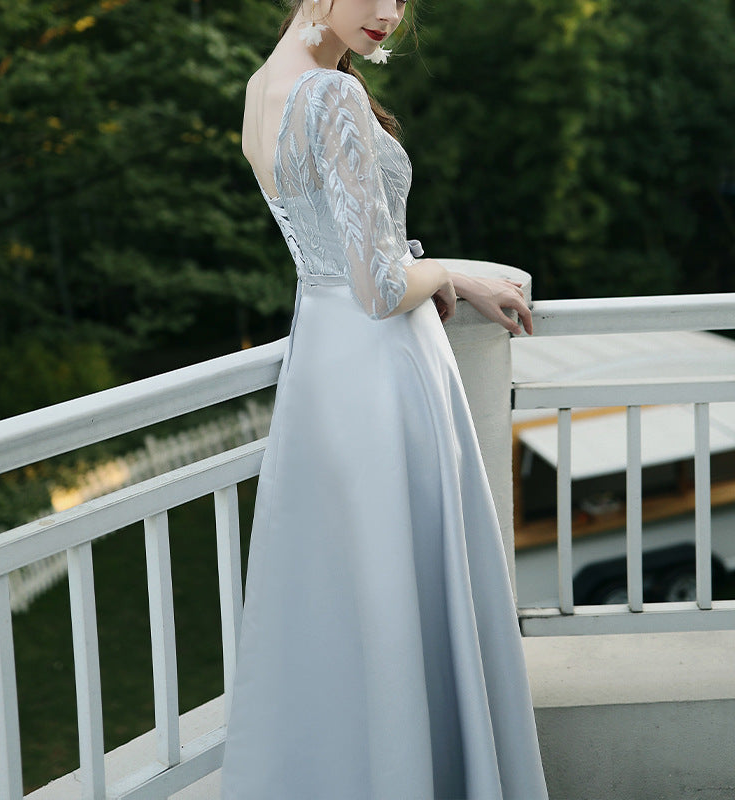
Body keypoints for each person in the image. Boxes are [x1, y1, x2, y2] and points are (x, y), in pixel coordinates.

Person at [220, 1, 549, 797]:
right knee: (407, 591)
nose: (390, 14)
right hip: (381, 366)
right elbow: (382, 288)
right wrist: (452, 275)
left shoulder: (264, 86)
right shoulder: (331, 96)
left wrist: (422, 271)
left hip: (321, 367)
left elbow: (338, 256)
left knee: (351, 599)